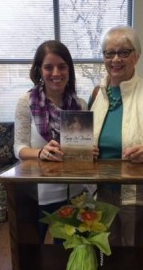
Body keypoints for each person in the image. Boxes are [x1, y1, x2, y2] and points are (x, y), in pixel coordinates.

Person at [90, 25, 143, 246]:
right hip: (101, 192)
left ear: (136, 56)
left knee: (135, 251)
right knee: (105, 249)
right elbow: (88, 139)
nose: (115, 59)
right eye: (109, 53)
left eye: (124, 52)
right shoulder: (97, 94)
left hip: (137, 194)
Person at [14, 40, 90, 243]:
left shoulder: (80, 105)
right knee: (32, 249)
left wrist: (89, 150)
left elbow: (82, 148)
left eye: (62, 66)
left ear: (69, 70)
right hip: (39, 191)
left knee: (70, 250)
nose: (56, 73)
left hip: (74, 190)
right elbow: (18, 147)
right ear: (39, 70)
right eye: (48, 67)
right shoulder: (26, 103)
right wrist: (40, 153)